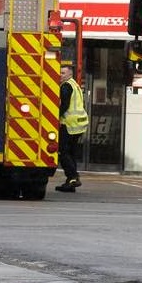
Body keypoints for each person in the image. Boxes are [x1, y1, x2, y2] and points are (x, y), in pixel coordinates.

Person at [54, 63, 88, 193]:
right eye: (60, 72)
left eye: (63, 73)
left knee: (63, 152)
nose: (60, 75)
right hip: (79, 124)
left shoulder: (66, 87)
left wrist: (54, 117)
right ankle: (71, 181)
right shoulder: (74, 84)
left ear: (69, 74)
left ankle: (73, 177)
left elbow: (64, 106)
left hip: (70, 124)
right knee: (71, 152)